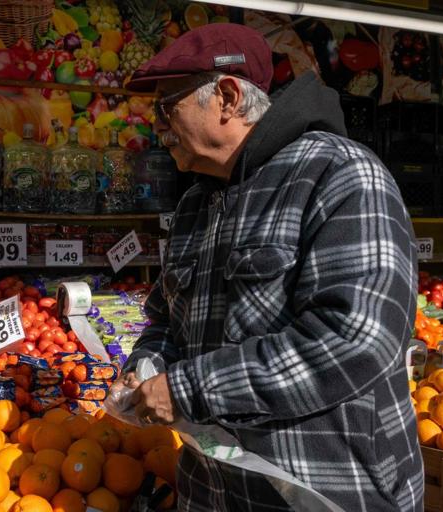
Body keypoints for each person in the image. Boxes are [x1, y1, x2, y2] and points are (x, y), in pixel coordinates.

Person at [119, 23, 423, 511]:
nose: (155, 126)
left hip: (325, 492)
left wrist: (189, 388)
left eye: (165, 107)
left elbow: (358, 338)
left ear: (227, 97)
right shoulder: (197, 203)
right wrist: (147, 367)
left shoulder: (338, 173)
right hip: (212, 492)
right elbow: (165, 321)